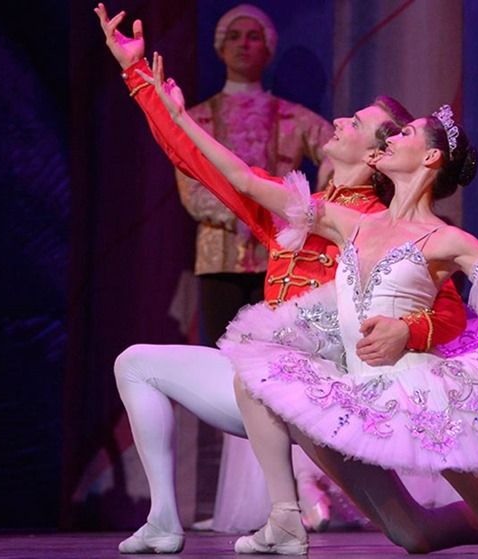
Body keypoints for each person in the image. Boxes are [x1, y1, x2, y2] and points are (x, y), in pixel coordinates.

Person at [140, 49, 478, 555]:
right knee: (410, 535)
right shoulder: (346, 220)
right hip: (360, 392)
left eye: (405, 133)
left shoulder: (447, 240)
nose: (391, 138)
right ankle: (285, 515)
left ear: (430, 156)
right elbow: (241, 179)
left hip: (432, 399)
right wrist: (178, 114)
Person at [95, 5, 467, 553]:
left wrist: (404, 332)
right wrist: (140, 80)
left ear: (376, 153)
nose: (337, 122)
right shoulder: (298, 207)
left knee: (415, 533)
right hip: (268, 390)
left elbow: (450, 310)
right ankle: (164, 521)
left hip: (330, 395)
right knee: (137, 364)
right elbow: (208, 168)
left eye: (354, 122)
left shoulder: (384, 226)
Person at [175, 4, 334, 535]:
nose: (244, 45)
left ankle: (294, 492)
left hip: (281, 263)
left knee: (283, 373)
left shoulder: (291, 116)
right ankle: (228, 499)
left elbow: (337, 153)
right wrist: (249, 213)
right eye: (234, 36)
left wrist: (309, 207)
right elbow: (193, 189)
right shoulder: (200, 118)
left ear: (268, 48)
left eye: (253, 37)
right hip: (220, 259)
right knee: (224, 376)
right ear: (219, 47)